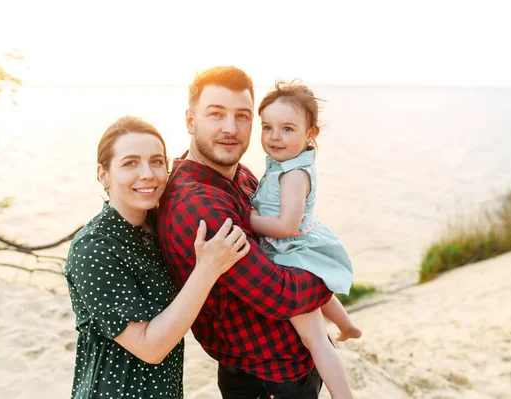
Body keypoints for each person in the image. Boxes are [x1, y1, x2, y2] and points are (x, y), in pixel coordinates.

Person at [158, 67, 347, 398]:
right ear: (190, 121)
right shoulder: (199, 205)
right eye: (216, 115)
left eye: (242, 116)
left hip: (294, 364)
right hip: (267, 380)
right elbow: (280, 294)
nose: (230, 129)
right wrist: (331, 271)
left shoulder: (238, 175)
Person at [64, 115, 250, 399]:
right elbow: (150, 347)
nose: (148, 173)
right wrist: (207, 269)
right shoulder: (93, 249)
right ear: (103, 174)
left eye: (156, 161)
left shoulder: (160, 224)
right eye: (130, 163)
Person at [250, 79, 361, 397]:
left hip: (289, 251)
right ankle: (347, 325)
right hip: (298, 246)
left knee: (315, 339)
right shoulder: (288, 163)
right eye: (267, 127)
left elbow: (286, 224)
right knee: (319, 294)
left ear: (311, 133)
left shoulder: (295, 175)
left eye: (287, 129)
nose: (274, 136)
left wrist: (249, 220)